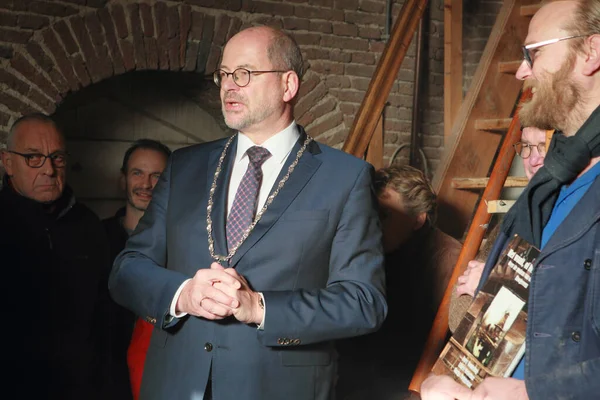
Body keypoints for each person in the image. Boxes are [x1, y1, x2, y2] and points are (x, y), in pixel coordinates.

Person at [109, 25, 387, 400]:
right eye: (224, 74)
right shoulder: (184, 166)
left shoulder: (346, 177)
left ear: (288, 85)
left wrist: (259, 307)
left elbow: (364, 301)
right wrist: (184, 294)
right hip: (174, 384)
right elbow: (127, 269)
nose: (228, 86)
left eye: (244, 73)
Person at [421, 1, 600, 399]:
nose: (522, 71)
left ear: (591, 52)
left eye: (534, 53)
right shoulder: (550, 182)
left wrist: (531, 392)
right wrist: (454, 378)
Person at [0, 113, 110, 399]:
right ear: (7, 162)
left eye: (57, 157)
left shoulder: (89, 226)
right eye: (33, 157)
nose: (49, 169)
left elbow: (107, 320)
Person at [337, 165, 462, 400]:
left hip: (406, 385)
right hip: (364, 379)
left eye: (385, 215)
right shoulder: (376, 251)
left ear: (418, 219)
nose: (373, 224)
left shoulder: (449, 260)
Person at [451, 126, 550, 314]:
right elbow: (459, 305)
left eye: (544, 147)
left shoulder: (569, 216)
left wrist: (491, 284)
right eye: (527, 146)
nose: (533, 160)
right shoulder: (521, 210)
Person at [102, 139, 171, 400]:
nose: (146, 184)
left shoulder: (183, 246)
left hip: (156, 378)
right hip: (102, 376)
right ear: (124, 180)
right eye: (137, 173)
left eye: (157, 176)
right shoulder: (94, 237)